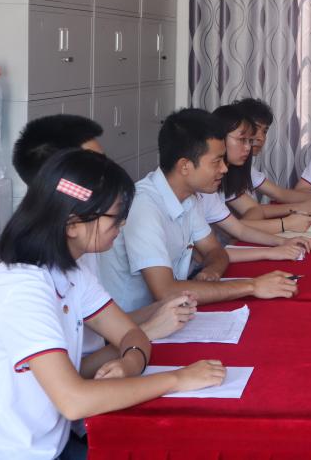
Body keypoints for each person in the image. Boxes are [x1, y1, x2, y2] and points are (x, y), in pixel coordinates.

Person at [0, 149, 225, 460]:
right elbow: (74, 401)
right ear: (73, 224)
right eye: (115, 217)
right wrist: (178, 379)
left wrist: (128, 364)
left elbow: (132, 335)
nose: (122, 225)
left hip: (50, 443)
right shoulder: (22, 290)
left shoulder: (70, 271)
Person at [12, 114, 197, 348]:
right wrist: (148, 331)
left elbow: (103, 329)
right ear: (62, 177)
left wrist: (160, 310)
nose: (108, 173)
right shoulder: (28, 284)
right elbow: (75, 368)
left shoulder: (82, 250)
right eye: (94, 167)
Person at [98, 108, 298, 313]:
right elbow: (165, 292)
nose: (224, 169)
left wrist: (212, 270)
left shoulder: (188, 197)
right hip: (132, 322)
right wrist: (253, 286)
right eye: (216, 161)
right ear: (185, 166)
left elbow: (214, 250)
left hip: (173, 312)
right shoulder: (144, 207)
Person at [200, 103, 311, 262]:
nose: (249, 146)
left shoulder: (225, 175)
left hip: (222, 254)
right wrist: (283, 227)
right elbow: (210, 252)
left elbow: (242, 226)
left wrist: (282, 242)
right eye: (242, 139)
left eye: (250, 139)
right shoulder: (202, 187)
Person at [235, 97, 311, 212]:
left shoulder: (246, 167)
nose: (261, 138)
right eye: (255, 129)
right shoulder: (226, 171)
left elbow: (280, 194)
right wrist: (297, 209)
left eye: (265, 131)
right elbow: (252, 211)